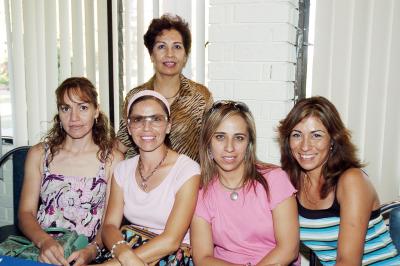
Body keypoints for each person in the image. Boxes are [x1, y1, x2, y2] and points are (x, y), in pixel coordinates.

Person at [277, 96, 400, 265]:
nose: (305, 146)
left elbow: (348, 261)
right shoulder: (291, 182)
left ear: (332, 141)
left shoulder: (352, 181)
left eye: (316, 135)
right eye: (297, 135)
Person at [18, 77, 123, 266]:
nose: (74, 118)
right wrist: (45, 242)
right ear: (59, 112)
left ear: (96, 111)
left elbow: (110, 224)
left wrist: (91, 252)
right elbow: (25, 213)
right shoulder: (40, 154)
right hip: (41, 251)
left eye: (83, 107)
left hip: (91, 255)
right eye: (66, 108)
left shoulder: (112, 160)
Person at [191, 100, 299, 266]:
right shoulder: (201, 193)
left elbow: (289, 249)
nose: (229, 147)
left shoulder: (275, 180)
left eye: (239, 138)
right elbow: (203, 258)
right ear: (208, 144)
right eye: (220, 137)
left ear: (249, 144)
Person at [100, 90, 200, 266]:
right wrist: (125, 255)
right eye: (138, 120)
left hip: (173, 256)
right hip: (129, 248)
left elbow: (171, 241)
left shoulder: (187, 170)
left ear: (168, 125)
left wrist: (114, 264)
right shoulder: (122, 170)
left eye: (156, 119)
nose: (147, 128)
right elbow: (109, 227)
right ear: (129, 128)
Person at [116, 13, 213, 162]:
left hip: (187, 182)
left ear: (185, 55)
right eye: (161, 46)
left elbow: (211, 147)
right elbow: (120, 146)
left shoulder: (200, 97)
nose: (170, 54)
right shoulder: (136, 96)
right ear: (151, 54)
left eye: (177, 47)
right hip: (143, 180)